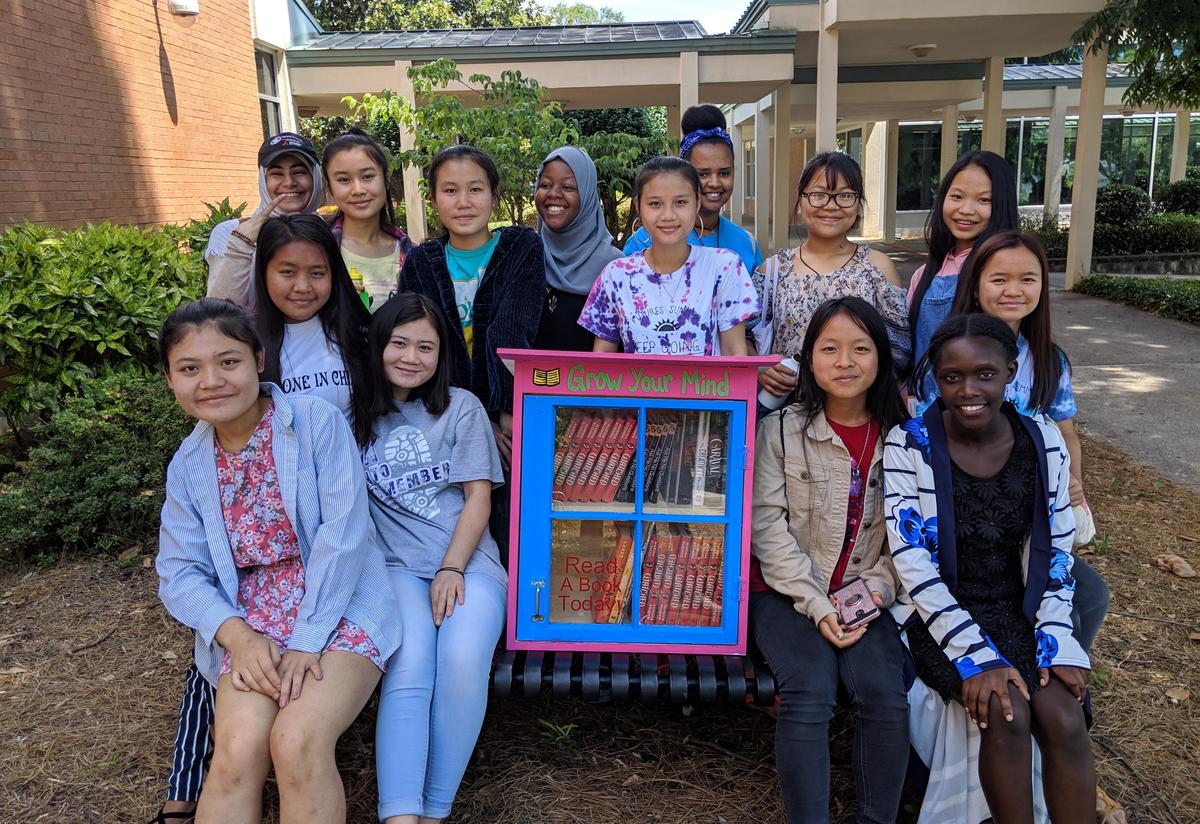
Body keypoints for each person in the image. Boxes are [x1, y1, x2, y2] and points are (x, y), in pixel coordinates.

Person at [153, 214, 373, 824]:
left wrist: (305, 639)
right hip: (250, 618)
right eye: (190, 369)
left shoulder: (315, 423)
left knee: (295, 742)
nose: (212, 381)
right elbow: (179, 571)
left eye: (227, 361)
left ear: (257, 358)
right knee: (235, 753)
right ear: (171, 379)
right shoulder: (188, 463)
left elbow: (344, 537)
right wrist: (238, 635)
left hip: (340, 602)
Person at [886, 313, 1094, 824]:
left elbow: (1056, 553)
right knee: (1007, 712)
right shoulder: (908, 446)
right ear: (934, 376)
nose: (968, 389)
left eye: (985, 373)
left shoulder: (1043, 441)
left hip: (1018, 605)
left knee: (1063, 715)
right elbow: (913, 568)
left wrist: (1057, 639)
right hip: (940, 616)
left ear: (1010, 370)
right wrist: (975, 657)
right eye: (951, 377)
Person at [751, 296, 910, 823]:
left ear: (881, 358)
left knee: (884, 692)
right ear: (809, 360)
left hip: (867, 593)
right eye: (830, 349)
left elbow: (909, 539)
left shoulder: (905, 441)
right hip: (787, 594)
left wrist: (875, 594)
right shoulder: (779, 431)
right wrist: (818, 605)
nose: (845, 362)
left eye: (861, 348)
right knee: (809, 689)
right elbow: (766, 526)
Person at [362, 293, 507, 823]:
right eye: (399, 343)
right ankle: (401, 815)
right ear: (379, 344)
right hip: (394, 569)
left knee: (463, 662)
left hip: (468, 564)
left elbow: (479, 497)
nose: (411, 357)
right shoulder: (353, 417)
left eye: (426, 346)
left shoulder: (460, 407)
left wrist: (451, 567)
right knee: (410, 664)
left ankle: (434, 809)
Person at [942, 230, 1110, 656]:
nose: (1014, 291)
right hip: (967, 512)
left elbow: (1066, 432)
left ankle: (1062, 683)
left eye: (1028, 279)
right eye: (999, 279)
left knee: (1089, 596)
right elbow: (929, 435)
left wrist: (1074, 484)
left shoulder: (1049, 360)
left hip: (1030, 515)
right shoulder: (949, 352)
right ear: (975, 285)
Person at [397, 144, 545, 472]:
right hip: (441, 418)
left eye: (475, 189)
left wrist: (506, 412)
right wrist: (470, 421)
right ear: (433, 200)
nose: (463, 202)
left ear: (494, 196)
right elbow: (418, 347)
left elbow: (511, 331)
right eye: (450, 191)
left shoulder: (522, 247)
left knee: (508, 513)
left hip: (511, 416)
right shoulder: (420, 263)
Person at [755, 151, 910, 405]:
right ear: (801, 201)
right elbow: (746, 342)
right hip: (785, 415)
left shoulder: (877, 268)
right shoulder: (772, 271)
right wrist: (762, 372)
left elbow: (899, 352)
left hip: (859, 413)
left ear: (858, 203)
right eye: (818, 195)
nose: (831, 205)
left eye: (845, 196)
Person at [579, 156, 759, 357]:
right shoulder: (616, 276)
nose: (668, 215)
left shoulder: (724, 267)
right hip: (637, 389)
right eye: (655, 203)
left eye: (680, 202)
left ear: (698, 203)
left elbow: (735, 354)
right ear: (638, 206)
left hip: (708, 389)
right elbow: (603, 359)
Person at [907, 150, 1019, 386]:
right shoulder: (924, 274)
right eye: (957, 196)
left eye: (984, 200)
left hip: (980, 408)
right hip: (925, 410)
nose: (966, 210)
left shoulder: (1004, 270)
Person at [623, 104, 763, 277]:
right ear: (685, 178)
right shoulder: (645, 240)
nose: (714, 182)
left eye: (724, 173)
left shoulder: (746, 243)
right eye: (703, 174)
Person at [205, 132, 324, 311]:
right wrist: (242, 244)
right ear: (263, 180)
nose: (289, 182)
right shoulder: (231, 232)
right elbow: (219, 311)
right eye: (277, 174)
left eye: (299, 172)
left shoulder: (330, 230)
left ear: (315, 177)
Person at [532, 145, 623, 351]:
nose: (554, 194)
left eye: (568, 187)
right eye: (545, 184)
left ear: (588, 195)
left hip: (594, 382)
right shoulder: (527, 259)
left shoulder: (614, 268)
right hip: (529, 382)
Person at [322, 129, 414, 310]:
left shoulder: (412, 255)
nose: (358, 189)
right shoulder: (315, 248)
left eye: (367, 177)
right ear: (330, 188)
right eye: (343, 179)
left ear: (385, 181)